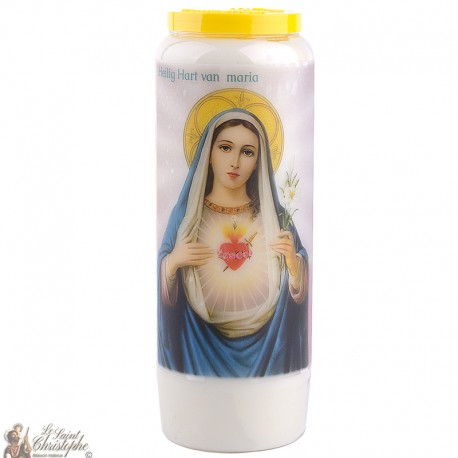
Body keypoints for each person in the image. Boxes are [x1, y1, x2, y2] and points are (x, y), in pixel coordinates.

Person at [158, 109, 309, 377]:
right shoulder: (186, 218)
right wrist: (173, 263)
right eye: (225, 148)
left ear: (259, 161)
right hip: (197, 349)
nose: (235, 162)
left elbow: (298, 297)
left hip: (269, 350)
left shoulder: (276, 218)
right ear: (209, 152)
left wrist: (294, 267)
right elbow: (164, 289)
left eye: (247, 152)